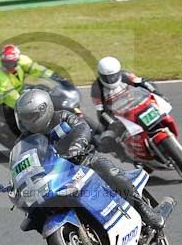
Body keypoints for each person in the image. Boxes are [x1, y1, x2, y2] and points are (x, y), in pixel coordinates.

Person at [14, 89, 173, 231]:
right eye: (24, 118)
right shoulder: (25, 140)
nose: (27, 122)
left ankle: (146, 211)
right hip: (56, 175)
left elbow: (81, 128)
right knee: (33, 216)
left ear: (44, 109)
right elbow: (22, 162)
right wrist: (15, 182)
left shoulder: (62, 117)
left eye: (30, 117)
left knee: (110, 173)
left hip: (83, 161)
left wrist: (77, 146)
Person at [0, 44, 64, 137]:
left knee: (40, 89)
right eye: (5, 62)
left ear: (17, 60)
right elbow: (11, 97)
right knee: (22, 119)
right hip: (1, 100)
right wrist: (27, 107)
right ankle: (24, 140)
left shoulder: (22, 61)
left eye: (11, 63)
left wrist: (55, 77)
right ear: (2, 60)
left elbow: (37, 69)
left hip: (17, 88)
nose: (8, 66)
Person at [90, 56, 161, 154]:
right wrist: (112, 123)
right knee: (106, 142)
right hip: (117, 116)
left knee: (159, 111)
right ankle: (128, 155)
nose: (111, 79)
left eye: (113, 76)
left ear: (118, 72)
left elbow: (143, 82)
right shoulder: (96, 88)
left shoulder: (125, 75)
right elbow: (101, 111)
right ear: (100, 75)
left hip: (136, 104)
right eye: (106, 77)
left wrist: (158, 94)